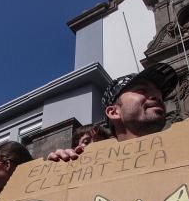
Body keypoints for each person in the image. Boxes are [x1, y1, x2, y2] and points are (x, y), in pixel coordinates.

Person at [48, 63, 177, 162]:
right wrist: (60, 166)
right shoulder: (90, 167)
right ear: (114, 112)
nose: (157, 97)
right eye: (142, 90)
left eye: (159, 94)